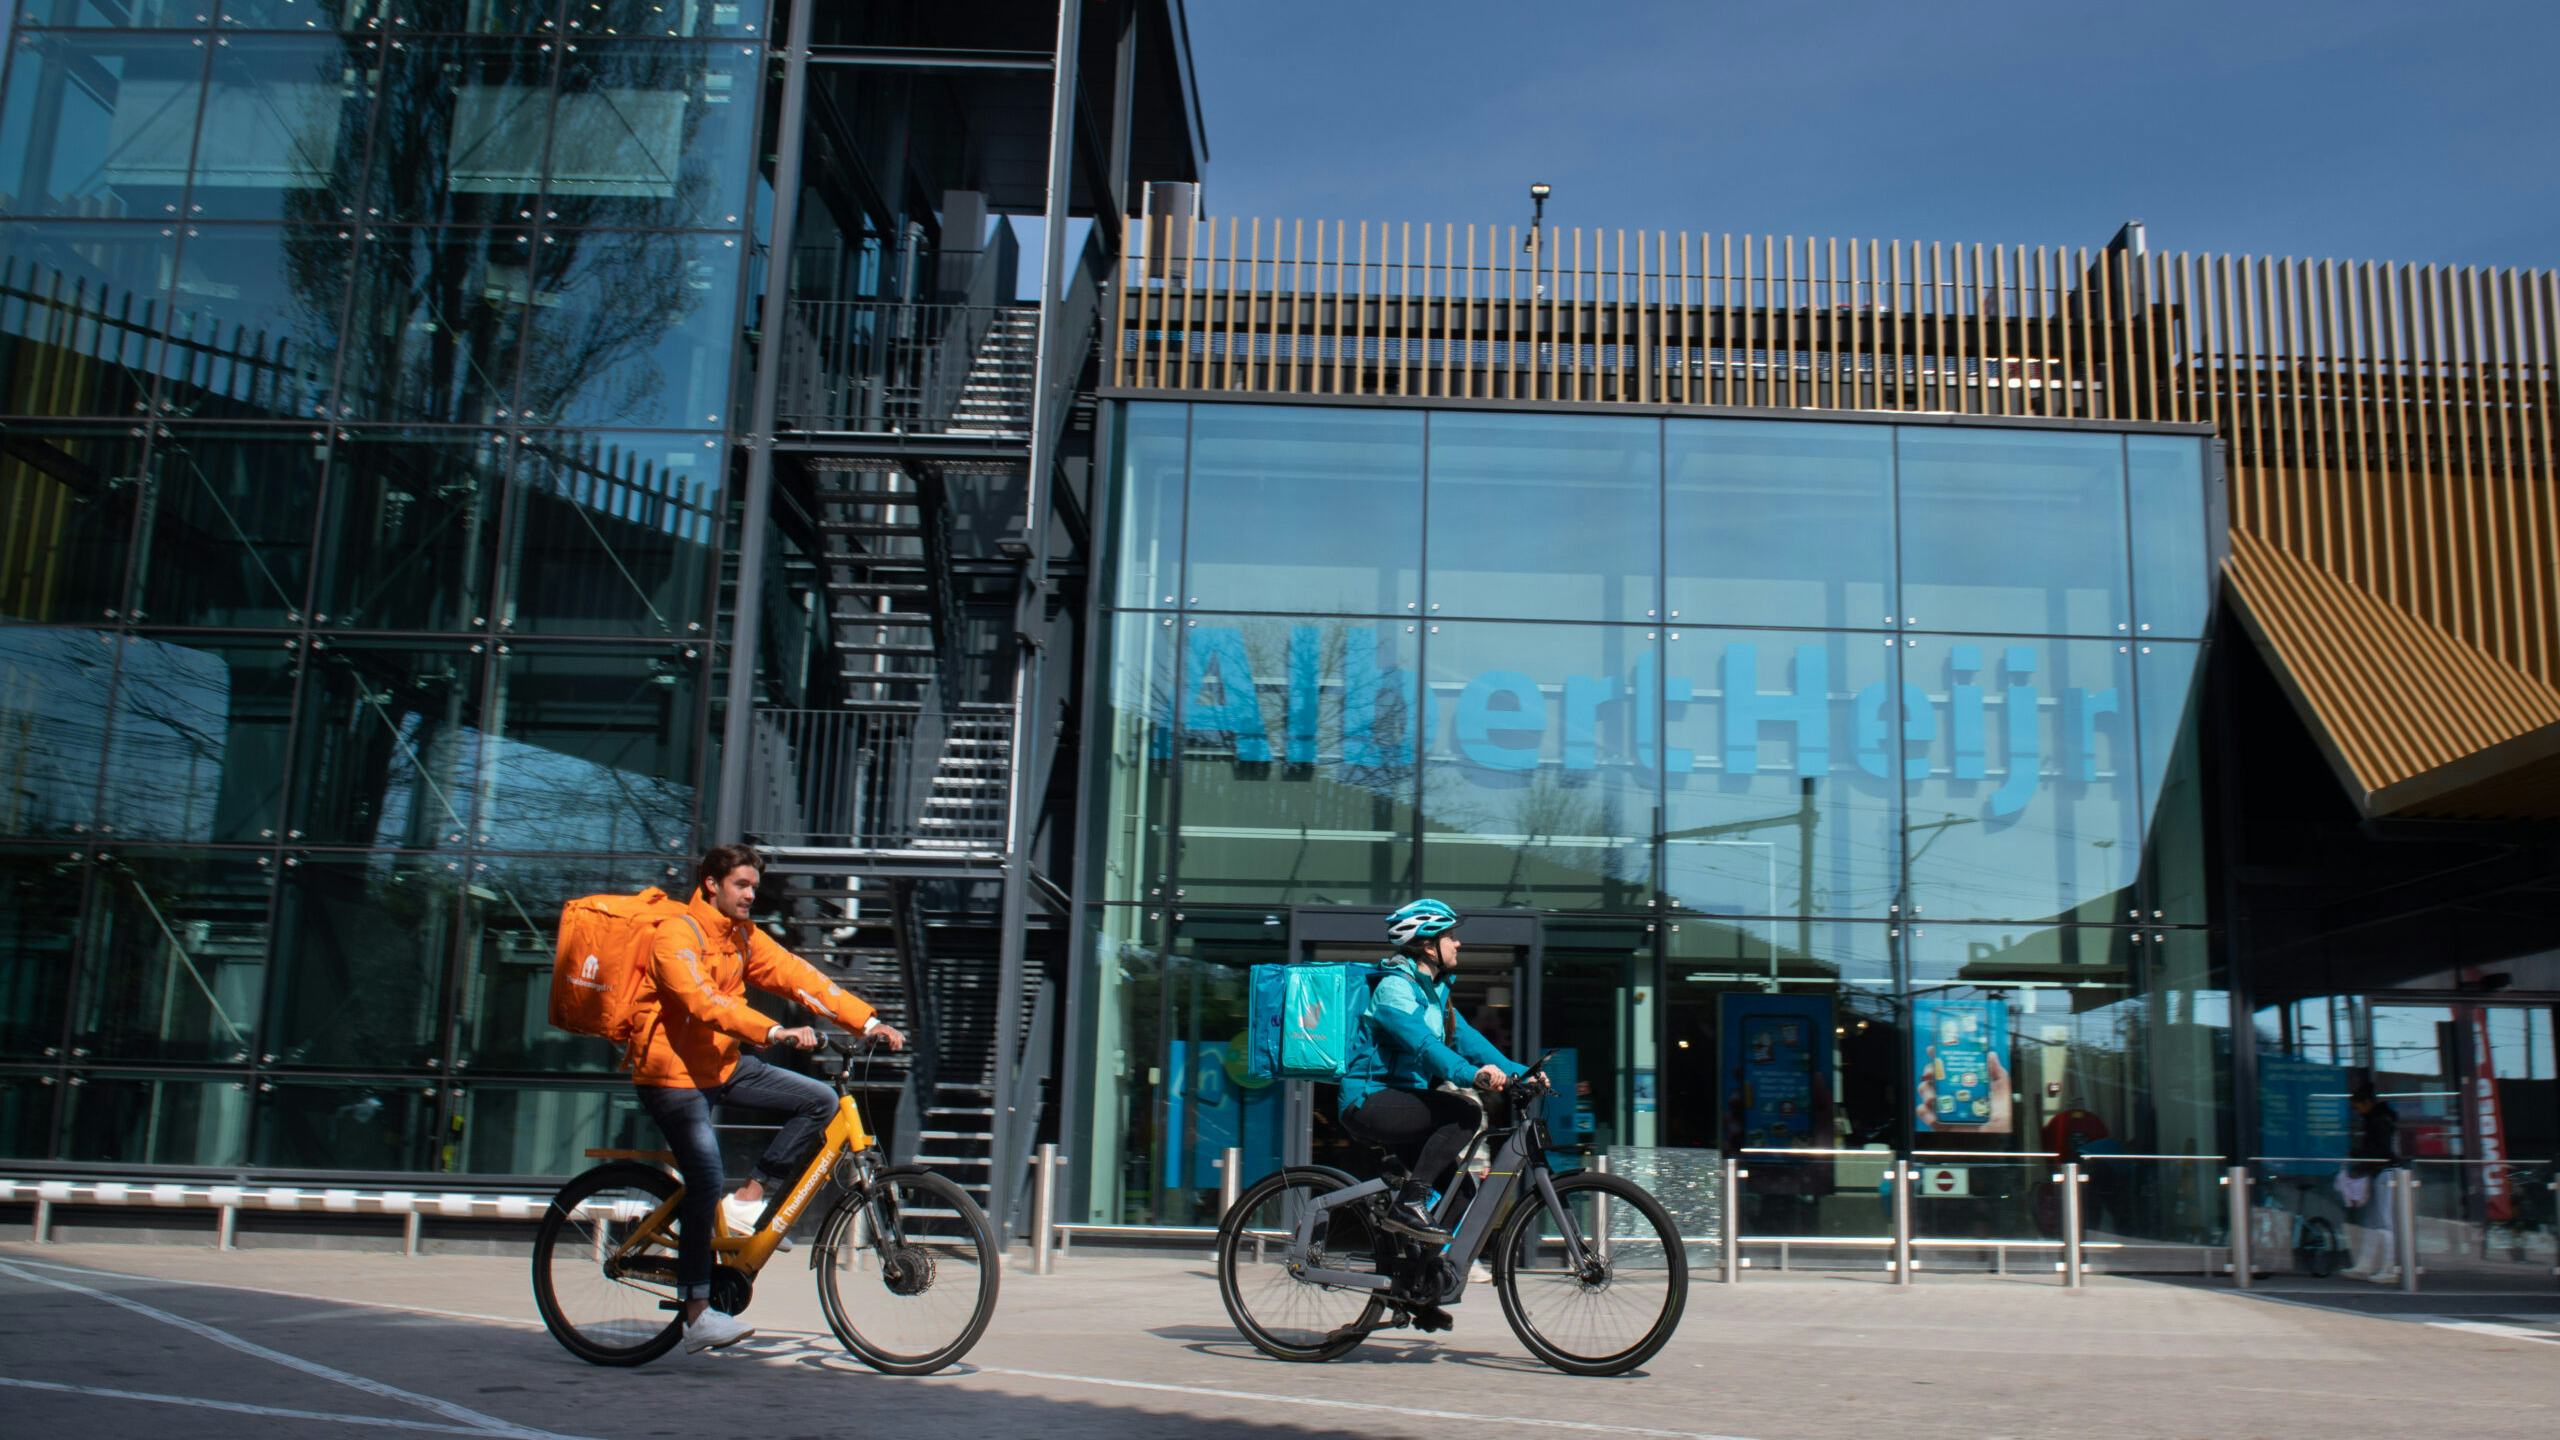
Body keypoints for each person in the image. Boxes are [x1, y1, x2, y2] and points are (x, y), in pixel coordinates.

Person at [628, 843, 907, 1353]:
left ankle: (750, 1199)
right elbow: (702, 1000)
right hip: (672, 1076)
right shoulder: (676, 935)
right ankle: (696, 1314)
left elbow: (800, 976)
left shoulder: (742, 938)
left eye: (754, 887)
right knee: (706, 1176)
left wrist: (867, 1021)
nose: (750, 894)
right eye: (741, 884)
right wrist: (773, 1031)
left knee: (820, 1101)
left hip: (723, 1066)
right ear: (711, 883)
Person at [1338, 898, 1524, 1251]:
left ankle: (1416, 1290)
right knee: (1464, 1111)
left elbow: (1475, 1045)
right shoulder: (1393, 989)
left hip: (1404, 1104)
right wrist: (1472, 1077)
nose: (1458, 943)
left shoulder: (1438, 997)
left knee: (1460, 1193)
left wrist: (1523, 1075)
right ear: (1427, 945)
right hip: (1369, 1100)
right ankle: (1411, 1201)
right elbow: (1423, 1046)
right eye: (1450, 936)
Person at [2337, 1080, 2403, 1283]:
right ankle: (2366, 1265)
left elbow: (2380, 1151)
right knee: (2374, 1222)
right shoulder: (2382, 1118)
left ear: (2366, 1103)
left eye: (2357, 1107)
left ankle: (2390, 1267)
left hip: (2384, 1172)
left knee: (2383, 1222)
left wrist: (2359, 1156)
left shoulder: (2377, 1121)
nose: (2357, 1111)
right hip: (2381, 1172)